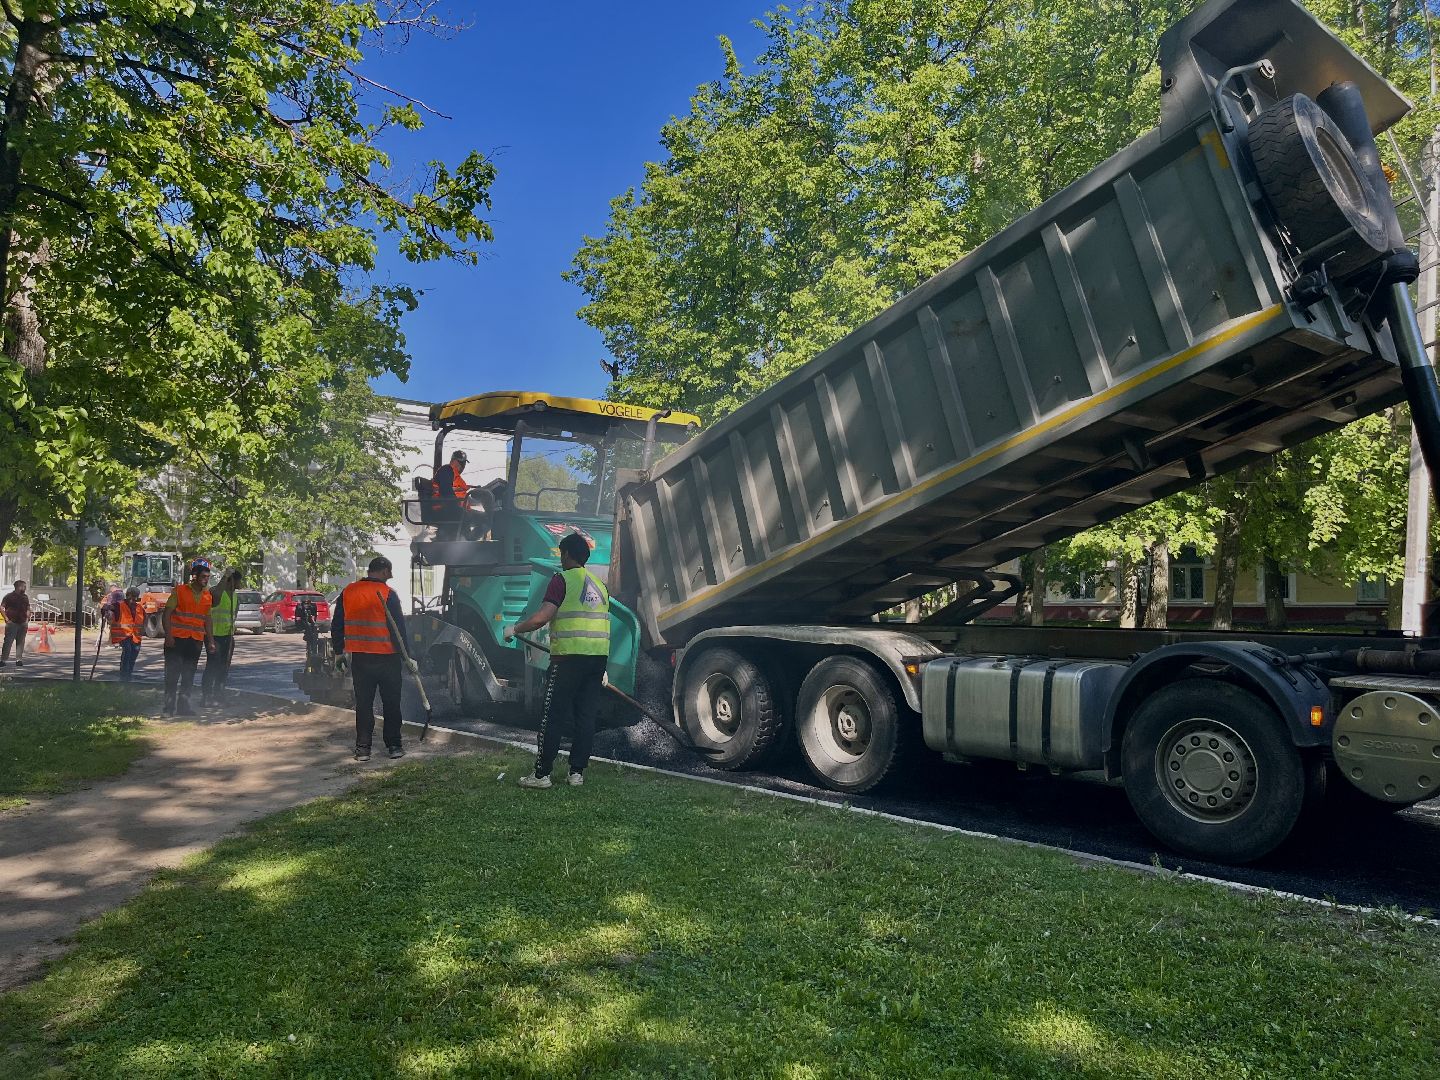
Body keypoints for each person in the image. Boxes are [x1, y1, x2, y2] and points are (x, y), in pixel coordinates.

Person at [506, 532, 610, 789]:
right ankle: (577, 773)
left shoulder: (561, 580)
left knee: (553, 716)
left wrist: (515, 629)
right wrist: (601, 667)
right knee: (585, 717)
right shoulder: (600, 584)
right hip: (596, 660)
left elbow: (543, 617)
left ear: (566, 555)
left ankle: (541, 775)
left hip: (567, 660)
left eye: (561, 554)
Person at [332, 556, 410, 761]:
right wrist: (407, 657)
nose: (389, 578)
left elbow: (337, 624)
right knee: (391, 703)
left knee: (364, 704)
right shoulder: (387, 594)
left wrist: (338, 652)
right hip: (387, 659)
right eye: (389, 573)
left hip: (360, 659)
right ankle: (394, 746)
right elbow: (398, 631)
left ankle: (363, 749)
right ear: (383, 571)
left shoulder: (348, 592)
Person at [161, 559, 214, 716]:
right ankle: (168, 709)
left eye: (208, 577)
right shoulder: (180, 591)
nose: (206, 579)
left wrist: (210, 640)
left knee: (188, 676)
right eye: (203, 576)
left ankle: (183, 707)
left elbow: (207, 619)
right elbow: (167, 614)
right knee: (172, 676)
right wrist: (168, 635)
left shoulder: (207, 596)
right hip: (176, 640)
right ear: (195, 576)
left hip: (195, 641)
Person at [201, 568, 242, 706]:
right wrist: (225, 576)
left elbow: (233, 616)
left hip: (228, 637)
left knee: (224, 668)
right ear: (232, 581)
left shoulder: (235, 596)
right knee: (212, 666)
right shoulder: (216, 592)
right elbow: (215, 596)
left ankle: (219, 694)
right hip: (213, 636)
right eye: (238, 581)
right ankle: (206, 696)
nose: (240, 584)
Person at [432, 449, 489, 539]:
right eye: (461, 463)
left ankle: (471, 540)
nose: (463, 466)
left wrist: (478, 499)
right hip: (445, 507)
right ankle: (467, 540)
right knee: (467, 516)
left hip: (456, 507)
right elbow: (446, 490)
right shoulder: (446, 470)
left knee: (487, 518)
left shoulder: (455, 475)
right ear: (454, 461)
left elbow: (459, 492)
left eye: (463, 464)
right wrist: (456, 505)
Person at [111, 587, 146, 682]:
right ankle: (124, 676)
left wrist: (143, 630)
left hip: (136, 637)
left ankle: (128, 674)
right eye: (133, 596)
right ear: (127, 595)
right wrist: (106, 608)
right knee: (127, 651)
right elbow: (111, 607)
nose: (134, 598)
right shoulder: (119, 605)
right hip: (124, 635)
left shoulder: (140, 608)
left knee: (133, 654)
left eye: (136, 596)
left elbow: (144, 621)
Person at [1, 579, 29, 668]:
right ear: (18, 587)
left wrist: (28, 617)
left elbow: (28, 607)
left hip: (23, 622)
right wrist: (6, 618)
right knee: (8, 641)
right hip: (12, 622)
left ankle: (19, 660)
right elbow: (2, 607)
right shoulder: (9, 597)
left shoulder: (25, 597)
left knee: (21, 642)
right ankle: (3, 660)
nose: (25, 588)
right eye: (24, 586)